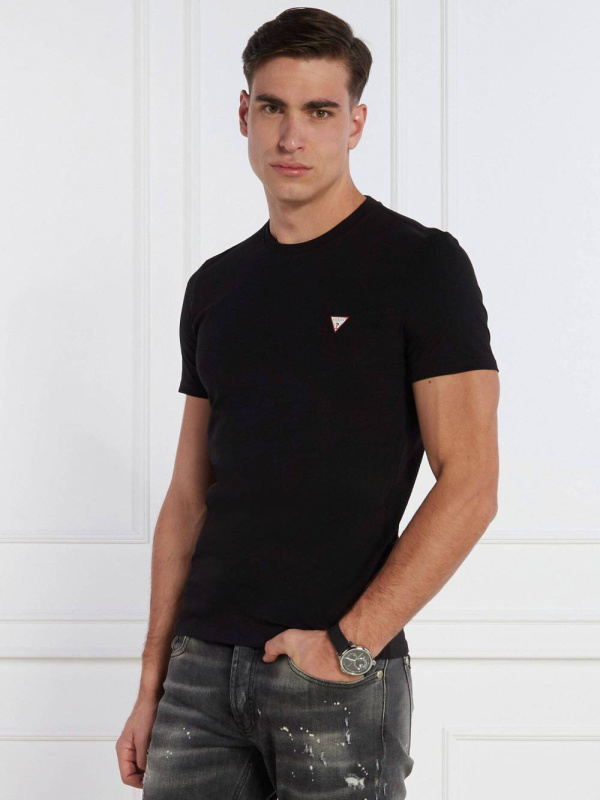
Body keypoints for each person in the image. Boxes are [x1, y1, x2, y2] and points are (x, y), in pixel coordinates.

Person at [116, 7, 500, 799]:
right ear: (244, 115)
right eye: (273, 107)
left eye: (320, 111)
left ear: (355, 123)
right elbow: (188, 496)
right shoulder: (216, 286)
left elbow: (471, 484)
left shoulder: (421, 266)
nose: (292, 136)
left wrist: (350, 647)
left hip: (336, 674)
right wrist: (154, 681)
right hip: (199, 674)